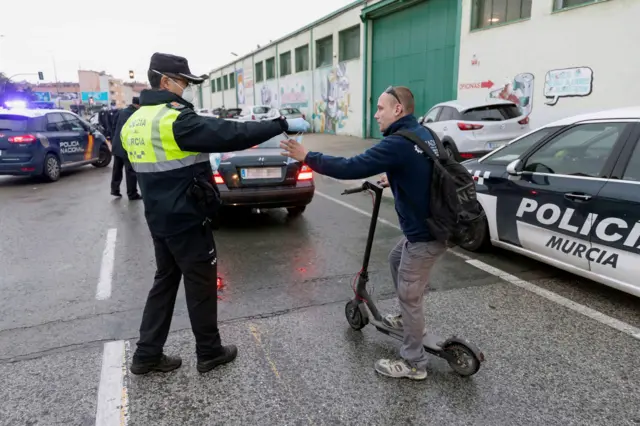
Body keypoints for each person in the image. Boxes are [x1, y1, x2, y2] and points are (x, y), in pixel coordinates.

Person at [121, 52, 289, 375]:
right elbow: (232, 133)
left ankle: (146, 354)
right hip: (187, 219)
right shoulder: (177, 121)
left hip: (158, 219)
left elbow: (132, 165)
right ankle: (209, 351)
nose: (185, 88)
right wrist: (276, 126)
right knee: (201, 284)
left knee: (165, 281)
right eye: (183, 82)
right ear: (165, 81)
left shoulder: (134, 121)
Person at [280, 86, 445, 381]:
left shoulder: (397, 143)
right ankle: (406, 320)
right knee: (396, 260)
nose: (375, 113)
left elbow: (349, 166)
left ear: (398, 110)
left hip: (424, 236)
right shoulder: (424, 134)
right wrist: (395, 175)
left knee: (410, 296)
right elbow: (426, 170)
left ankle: (414, 363)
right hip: (434, 226)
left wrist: (308, 156)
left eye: (380, 108)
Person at [110, 96, 141, 200]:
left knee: (117, 169)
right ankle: (132, 194)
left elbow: (113, 126)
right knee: (130, 171)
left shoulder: (121, 112)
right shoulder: (136, 114)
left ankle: (115, 189)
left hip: (117, 144)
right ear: (138, 105)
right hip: (127, 146)